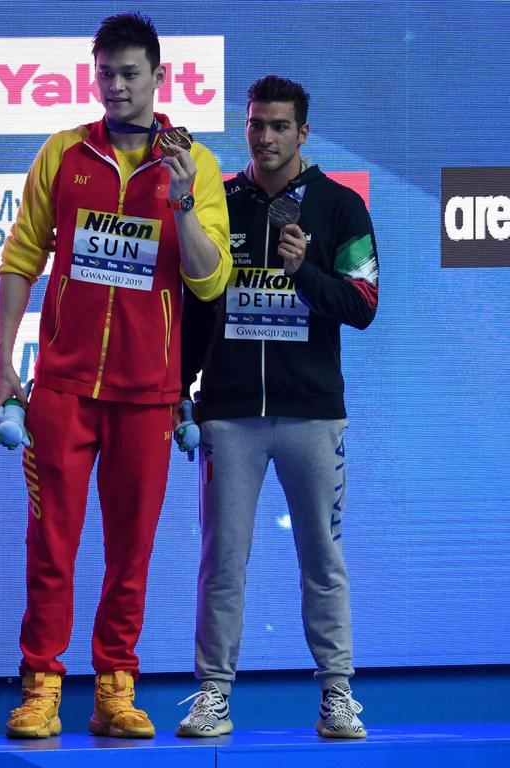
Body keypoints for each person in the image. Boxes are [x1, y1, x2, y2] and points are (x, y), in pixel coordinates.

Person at [0, 12, 231, 739]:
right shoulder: (63, 153)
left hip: (149, 395)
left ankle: (115, 689)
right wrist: (3, 364)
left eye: (131, 73)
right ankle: (41, 688)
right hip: (62, 389)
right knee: (51, 546)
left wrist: (183, 197)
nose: (117, 85)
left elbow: (210, 280)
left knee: (132, 550)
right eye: (106, 73)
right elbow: (21, 260)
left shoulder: (197, 163)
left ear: (160, 78)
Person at [175, 75, 379, 739]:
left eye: (279, 126)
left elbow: (364, 306)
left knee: (323, 559)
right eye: (257, 124)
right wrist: (182, 385)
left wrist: (305, 274)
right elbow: (197, 305)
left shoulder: (341, 208)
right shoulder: (220, 204)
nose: (265, 137)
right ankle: (213, 695)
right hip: (229, 416)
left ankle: (337, 696)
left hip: (313, 415)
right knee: (222, 560)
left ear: (303, 133)